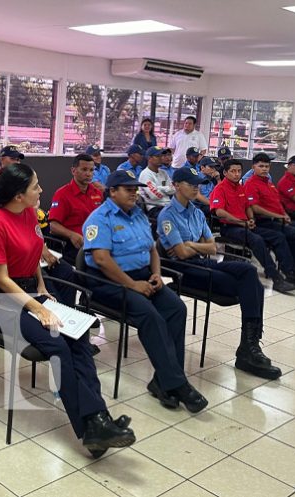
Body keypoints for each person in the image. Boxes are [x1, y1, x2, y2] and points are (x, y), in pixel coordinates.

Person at [0, 163, 136, 457]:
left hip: (30, 291)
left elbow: (34, 253)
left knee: (78, 339)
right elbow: (1, 279)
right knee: (56, 345)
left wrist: (42, 289)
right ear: (17, 195)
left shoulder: (28, 213)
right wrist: (37, 308)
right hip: (1, 300)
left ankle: (97, 419)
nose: (41, 190)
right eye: (35, 187)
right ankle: (90, 425)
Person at [83, 170, 208, 413]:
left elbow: (152, 249)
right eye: (128, 189)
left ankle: (164, 382)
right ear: (112, 192)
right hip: (110, 283)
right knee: (151, 317)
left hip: (143, 276)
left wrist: (156, 274)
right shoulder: (100, 218)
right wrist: (132, 285)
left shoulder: (138, 215)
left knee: (176, 309)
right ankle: (178, 384)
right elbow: (102, 260)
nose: (134, 192)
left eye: (135, 188)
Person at [157, 167, 281, 379]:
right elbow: (181, 253)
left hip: (201, 263)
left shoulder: (196, 213)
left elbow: (213, 247)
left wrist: (191, 244)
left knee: (249, 271)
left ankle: (249, 346)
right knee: (249, 286)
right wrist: (195, 246)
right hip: (184, 270)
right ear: (176, 186)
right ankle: (248, 350)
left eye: (198, 184)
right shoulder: (167, 215)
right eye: (191, 184)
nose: (196, 187)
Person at [209, 159, 295, 294]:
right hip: (230, 228)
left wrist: (250, 219)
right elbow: (219, 212)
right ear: (225, 173)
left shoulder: (241, 188)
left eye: (239, 171)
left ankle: (290, 272)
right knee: (257, 240)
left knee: (278, 236)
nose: (237, 174)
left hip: (245, 225)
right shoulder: (219, 189)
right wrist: (240, 222)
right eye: (233, 171)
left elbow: (248, 207)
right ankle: (276, 278)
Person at [244, 153, 295, 286]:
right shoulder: (251, 184)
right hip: (261, 221)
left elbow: (277, 203)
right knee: (280, 237)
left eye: (267, 166)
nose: (264, 169)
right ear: (253, 167)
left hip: (276, 220)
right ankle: (289, 272)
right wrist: (278, 216)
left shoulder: (269, 184)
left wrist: (283, 214)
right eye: (261, 166)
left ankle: (294, 269)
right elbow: (255, 207)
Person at [48, 154, 103, 263]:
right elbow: (53, 226)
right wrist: (71, 235)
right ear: (73, 171)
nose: (88, 174)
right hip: (75, 245)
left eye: (91, 170)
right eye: (84, 169)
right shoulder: (62, 194)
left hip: (98, 242)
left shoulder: (97, 193)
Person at [138, 146, 174, 221]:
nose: (161, 158)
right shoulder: (145, 174)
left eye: (162, 156)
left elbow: (173, 190)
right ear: (149, 158)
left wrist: (159, 188)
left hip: (168, 206)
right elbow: (155, 196)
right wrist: (166, 189)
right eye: (158, 156)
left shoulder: (163, 173)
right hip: (155, 208)